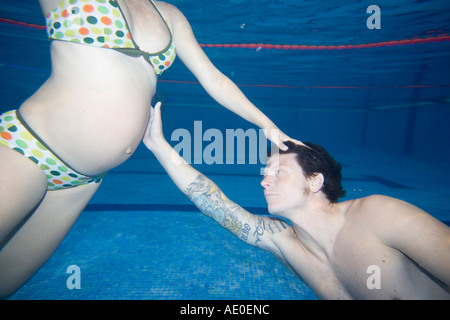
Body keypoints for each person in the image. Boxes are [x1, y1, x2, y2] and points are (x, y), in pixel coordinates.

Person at [0, 0, 296, 298]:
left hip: (81, 183)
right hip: (29, 150)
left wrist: (267, 126)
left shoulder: (170, 15)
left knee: (7, 279)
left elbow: (214, 79)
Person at [143, 102, 450, 300]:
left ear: (314, 180)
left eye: (279, 172)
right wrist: (159, 146)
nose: (264, 181)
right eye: (265, 173)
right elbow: (212, 201)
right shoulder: (286, 243)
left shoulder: (379, 213)